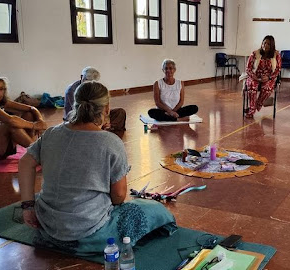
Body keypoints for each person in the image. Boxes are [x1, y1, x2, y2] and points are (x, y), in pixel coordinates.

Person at [19, 81, 176, 255]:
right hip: (88, 232)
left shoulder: (52, 133)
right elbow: (118, 196)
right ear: (107, 109)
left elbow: (25, 162)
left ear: (74, 104)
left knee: (45, 196)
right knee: (155, 211)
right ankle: (81, 244)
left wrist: (28, 207)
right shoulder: (110, 142)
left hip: (47, 226)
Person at [63, 66, 126, 131]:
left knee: (120, 112)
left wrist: (105, 118)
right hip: (79, 118)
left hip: (95, 114)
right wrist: (100, 118)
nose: (90, 84)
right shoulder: (71, 90)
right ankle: (103, 129)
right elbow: (77, 113)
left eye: (93, 82)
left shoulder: (94, 88)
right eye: (88, 80)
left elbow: (101, 106)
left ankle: (107, 128)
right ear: (82, 77)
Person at [243, 35, 281, 118]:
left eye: (268, 44)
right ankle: (252, 109)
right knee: (252, 85)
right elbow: (248, 68)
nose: (265, 45)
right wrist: (255, 77)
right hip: (255, 76)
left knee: (267, 87)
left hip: (268, 77)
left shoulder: (276, 55)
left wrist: (269, 77)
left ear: (272, 46)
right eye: (264, 43)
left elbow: (278, 69)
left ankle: (258, 104)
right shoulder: (254, 53)